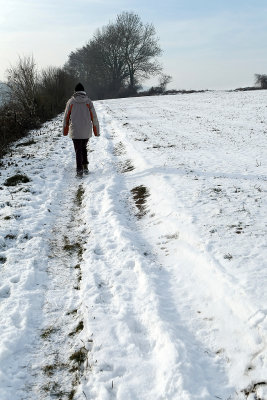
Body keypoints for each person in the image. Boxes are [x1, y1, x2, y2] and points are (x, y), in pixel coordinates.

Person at [63, 83, 100, 176]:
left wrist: (65, 130)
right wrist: (96, 131)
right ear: (83, 91)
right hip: (86, 130)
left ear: (75, 91)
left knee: (78, 150)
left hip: (75, 130)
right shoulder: (88, 102)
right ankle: (85, 167)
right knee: (83, 147)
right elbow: (94, 117)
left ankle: (79, 170)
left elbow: (66, 117)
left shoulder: (71, 102)